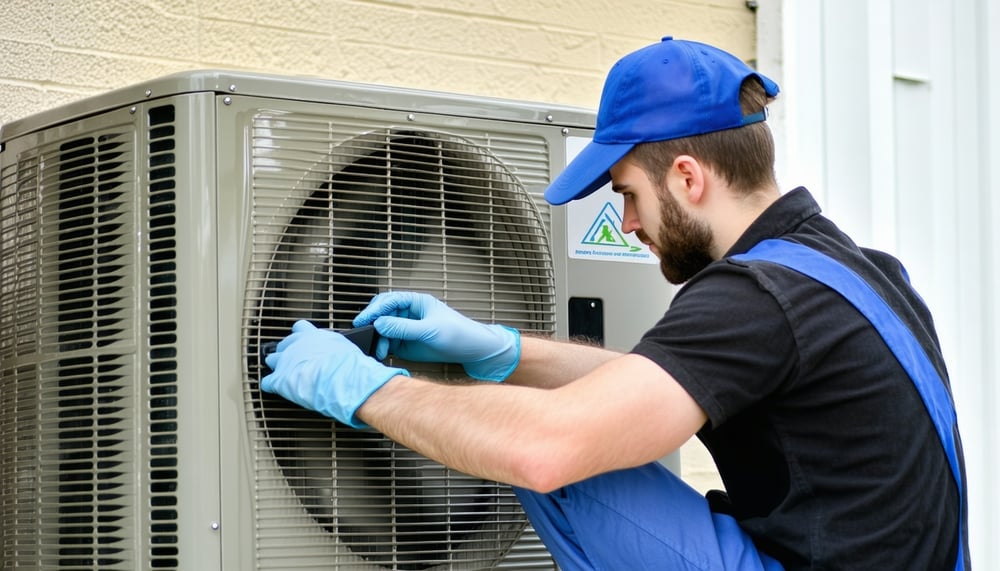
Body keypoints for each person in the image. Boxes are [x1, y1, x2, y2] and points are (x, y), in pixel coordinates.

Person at [261, 36, 970, 570]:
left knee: (554, 453)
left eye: (627, 193)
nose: (627, 224)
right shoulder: (861, 273)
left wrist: (364, 389)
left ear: (688, 177)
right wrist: (498, 347)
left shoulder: (756, 296)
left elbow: (545, 449)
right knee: (578, 419)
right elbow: (657, 384)